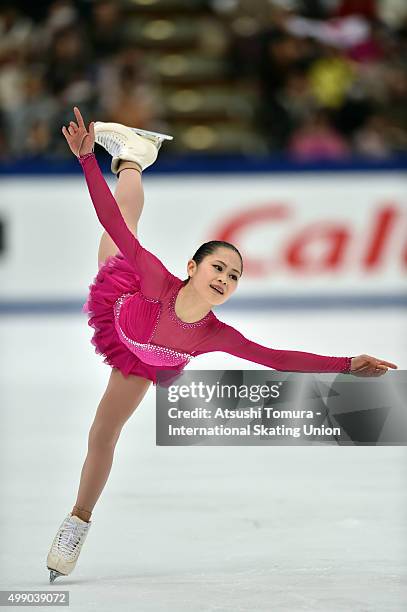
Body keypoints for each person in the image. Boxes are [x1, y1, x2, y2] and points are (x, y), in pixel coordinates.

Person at [46, 106, 398, 583]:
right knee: (120, 224)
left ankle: (77, 521)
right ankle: (131, 157)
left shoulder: (216, 335)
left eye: (234, 276)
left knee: (103, 433)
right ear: (193, 268)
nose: (225, 279)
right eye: (218, 268)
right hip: (124, 299)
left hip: (139, 357)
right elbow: (104, 209)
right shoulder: (152, 277)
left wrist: (348, 364)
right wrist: (87, 160)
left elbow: (277, 359)